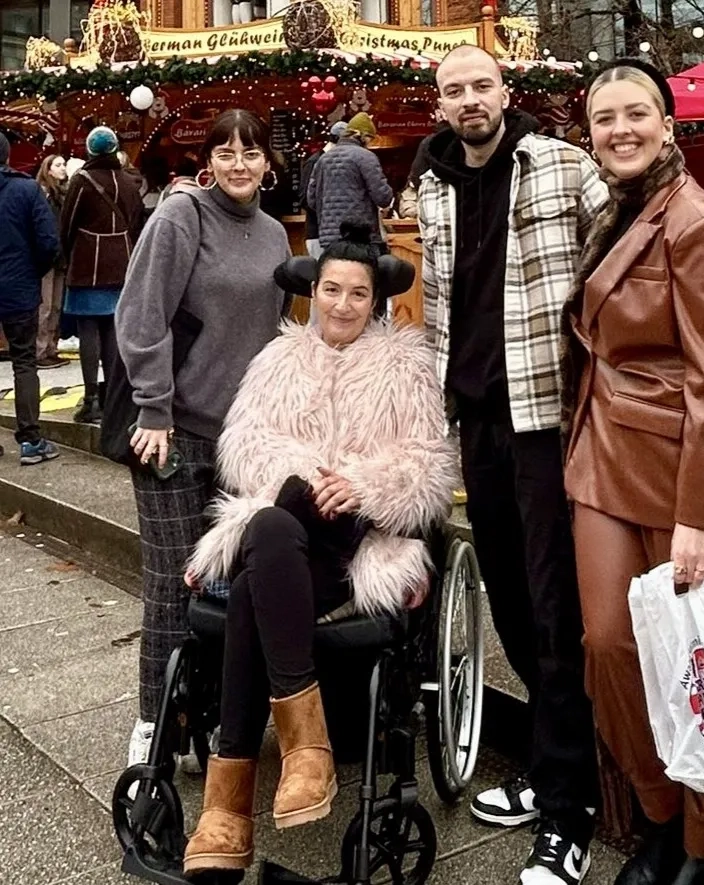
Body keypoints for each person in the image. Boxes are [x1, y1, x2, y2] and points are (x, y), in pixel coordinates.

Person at [181, 225, 458, 876]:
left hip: (356, 542)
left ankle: (228, 805)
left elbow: (427, 466)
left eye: (356, 293)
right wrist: (306, 476)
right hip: (286, 530)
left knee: (257, 566)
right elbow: (243, 448)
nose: (341, 304)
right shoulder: (277, 360)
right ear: (312, 292)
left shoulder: (405, 365)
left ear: (375, 300)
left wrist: (357, 485)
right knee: (269, 534)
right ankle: (306, 748)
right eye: (330, 289)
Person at [561, 60, 704, 885]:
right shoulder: (618, 210)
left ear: (667, 122)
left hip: (688, 468)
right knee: (610, 644)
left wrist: (699, 515)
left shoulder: (694, 219)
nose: (619, 129)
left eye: (636, 114)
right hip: (604, 456)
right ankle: (656, 810)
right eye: (604, 117)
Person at [419, 44, 609, 885]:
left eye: (479, 85)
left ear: (506, 91)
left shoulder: (564, 166)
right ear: (440, 105)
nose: (469, 100)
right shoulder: (429, 185)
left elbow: (631, 247)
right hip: (476, 421)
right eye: (453, 89)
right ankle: (552, 761)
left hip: (544, 418)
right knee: (507, 594)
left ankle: (570, 812)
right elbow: (437, 303)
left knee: (551, 599)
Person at [115, 109, 292, 772]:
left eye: (250, 152)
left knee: (226, 584)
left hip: (241, 439)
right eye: (227, 151)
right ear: (209, 160)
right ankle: (152, 722)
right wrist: (153, 409)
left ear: (267, 163)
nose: (239, 163)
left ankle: (210, 711)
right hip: (174, 430)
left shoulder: (275, 235)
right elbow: (142, 314)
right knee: (171, 581)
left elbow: (273, 332)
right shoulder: (181, 216)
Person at [60, 127, 143, 424]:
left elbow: (67, 225)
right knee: (112, 331)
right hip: (121, 262)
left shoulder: (82, 181)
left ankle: (91, 398)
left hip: (87, 264)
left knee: (88, 332)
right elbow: (135, 223)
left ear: (91, 150)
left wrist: (67, 258)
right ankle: (112, 398)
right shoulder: (129, 181)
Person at [0, 132, 61, 465]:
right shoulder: (25, 190)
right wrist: (32, 272)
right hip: (19, 288)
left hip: (17, 282)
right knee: (24, 363)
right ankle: (30, 440)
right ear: (7, 156)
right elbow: (48, 241)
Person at [307, 112, 393, 252]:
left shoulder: (323, 159)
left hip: (329, 238)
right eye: (369, 138)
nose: (369, 143)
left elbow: (311, 200)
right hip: (361, 236)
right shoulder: (366, 157)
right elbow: (383, 197)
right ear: (361, 135)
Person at [34, 154, 70, 369]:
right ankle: (41, 350)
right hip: (47, 257)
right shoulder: (42, 194)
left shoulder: (62, 195)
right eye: (58, 165)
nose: (63, 168)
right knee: (46, 306)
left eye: (64, 164)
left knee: (56, 306)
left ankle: (51, 347)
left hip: (60, 256)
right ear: (48, 170)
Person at [301, 120, 348, 259]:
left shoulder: (336, 162)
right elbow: (304, 198)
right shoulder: (314, 162)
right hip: (317, 233)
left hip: (334, 234)